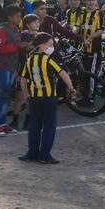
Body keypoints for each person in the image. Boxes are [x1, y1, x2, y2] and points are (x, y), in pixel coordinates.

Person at [18, 33, 74, 165]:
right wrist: (71, 88)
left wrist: (26, 96)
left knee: (34, 126)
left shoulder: (30, 59)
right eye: (50, 45)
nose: (52, 47)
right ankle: (44, 155)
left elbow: (23, 79)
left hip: (34, 97)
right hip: (49, 97)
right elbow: (63, 74)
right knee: (49, 126)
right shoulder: (49, 60)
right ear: (41, 45)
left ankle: (32, 153)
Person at [0, 5, 23, 136]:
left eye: (20, 16)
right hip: (3, 65)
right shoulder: (2, 29)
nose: (19, 18)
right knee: (4, 93)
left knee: (7, 94)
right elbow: (1, 48)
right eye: (17, 16)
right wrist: (18, 46)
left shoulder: (15, 29)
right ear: (10, 17)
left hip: (11, 66)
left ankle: (2, 123)